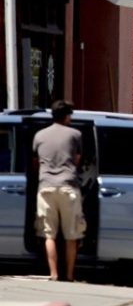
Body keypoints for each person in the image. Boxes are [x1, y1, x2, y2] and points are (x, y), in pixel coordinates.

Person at [32, 100, 85, 282]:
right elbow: (77, 160)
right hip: (68, 186)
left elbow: (36, 162)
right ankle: (69, 276)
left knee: (49, 234)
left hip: (46, 187)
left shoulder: (39, 135)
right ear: (67, 116)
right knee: (72, 235)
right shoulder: (75, 134)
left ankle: (53, 274)